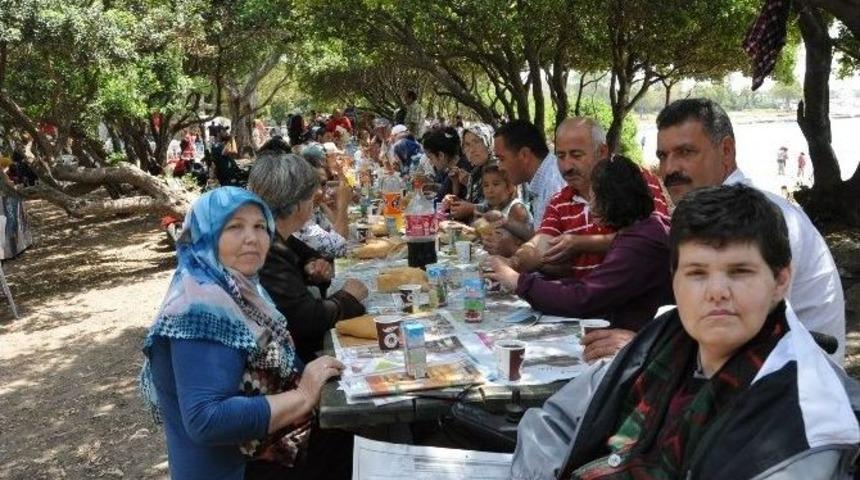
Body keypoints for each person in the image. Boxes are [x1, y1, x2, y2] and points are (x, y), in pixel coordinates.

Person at [511, 184, 860, 479]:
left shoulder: (808, 419)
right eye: (696, 273)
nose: (716, 291)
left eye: (739, 272)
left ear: (781, 280)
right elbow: (552, 423)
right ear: (673, 279)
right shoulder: (660, 344)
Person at [140, 187, 352, 479]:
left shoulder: (239, 287)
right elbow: (206, 419)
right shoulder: (199, 306)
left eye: (260, 226)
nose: (252, 238)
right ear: (206, 235)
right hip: (240, 469)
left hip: (275, 448)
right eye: (234, 227)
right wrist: (304, 394)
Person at [655, 98, 845, 363]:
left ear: (727, 150)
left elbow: (741, 336)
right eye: (663, 156)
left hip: (793, 379)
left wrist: (644, 346)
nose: (670, 169)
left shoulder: (759, 219)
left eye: (686, 152)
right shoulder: (719, 216)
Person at [488, 155, 671, 333]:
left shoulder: (641, 242)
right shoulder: (636, 233)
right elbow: (589, 286)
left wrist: (515, 280)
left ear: (616, 198)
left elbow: (584, 298)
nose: (591, 207)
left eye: (595, 198)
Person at [248, 149, 368, 364]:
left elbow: (305, 254)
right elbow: (307, 321)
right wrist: (349, 297)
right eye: (311, 195)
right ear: (297, 204)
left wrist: (313, 264)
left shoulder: (272, 234)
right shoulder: (263, 247)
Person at [510, 118, 669, 279]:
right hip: (587, 299)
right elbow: (540, 245)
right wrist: (513, 261)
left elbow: (658, 236)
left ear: (602, 152)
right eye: (560, 156)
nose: (567, 167)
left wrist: (581, 244)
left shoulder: (635, 180)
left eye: (576, 155)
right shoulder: (559, 202)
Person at [493, 119, 564, 229]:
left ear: (524, 155)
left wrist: (511, 247)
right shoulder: (540, 178)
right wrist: (504, 221)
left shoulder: (553, 185)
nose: (499, 167)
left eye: (502, 159)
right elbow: (541, 233)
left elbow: (552, 243)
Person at [448, 123, 494, 221]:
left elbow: (502, 210)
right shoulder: (476, 172)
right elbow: (471, 204)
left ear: (488, 141)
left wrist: (471, 208)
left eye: (477, 142)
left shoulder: (499, 169)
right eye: (467, 145)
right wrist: (455, 202)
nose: (472, 150)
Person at [423, 126, 470, 204]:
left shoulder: (463, 171)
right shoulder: (451, 170)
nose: (430, 162)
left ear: (441, 155)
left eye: (430, 158)